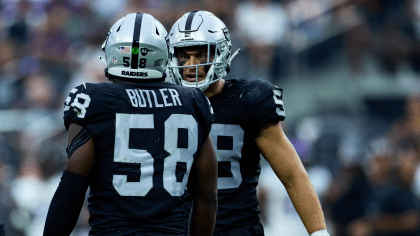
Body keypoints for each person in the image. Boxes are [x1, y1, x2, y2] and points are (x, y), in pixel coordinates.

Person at [43, 12, 218, 236]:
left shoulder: (94, 99)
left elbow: (72, 189)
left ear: (113, 53)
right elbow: (207, 197)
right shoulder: (192, 101)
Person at [167, 10, 329, 236]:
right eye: (184, 56)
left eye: (201, 55)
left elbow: (292, 174)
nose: (191, 65)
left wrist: (319, 233)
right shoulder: (163, 103)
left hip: (237, 229)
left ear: (221, 53)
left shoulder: (249, 99)